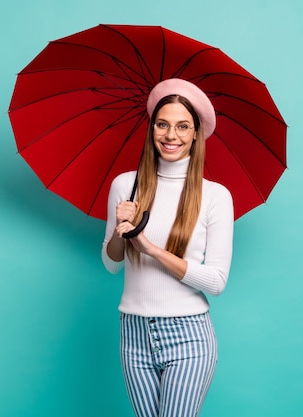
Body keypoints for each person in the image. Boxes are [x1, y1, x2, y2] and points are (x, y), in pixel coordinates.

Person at [101, 78, 234, 417]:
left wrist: (152, 250)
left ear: (195, 133)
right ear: (152, 128)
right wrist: (120, 231)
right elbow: (111, 262)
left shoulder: (215, 196)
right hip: (133, 333)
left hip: (188, 334)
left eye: (182, 126)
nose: (170, 135)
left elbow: (217, 281)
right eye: (162, 124)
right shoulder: (124, 186)